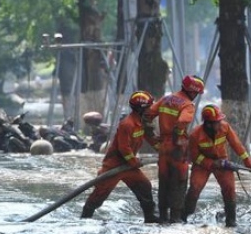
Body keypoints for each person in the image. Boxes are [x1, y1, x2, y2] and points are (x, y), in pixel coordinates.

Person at [81, 91, 160, 223]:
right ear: (141, 108)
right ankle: (85, 218)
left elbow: (150, 139)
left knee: (144, 186)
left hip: (128, 166)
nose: (150, 109)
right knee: (100, 194)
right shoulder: (127, 124)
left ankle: (150, 217)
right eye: (148, 107)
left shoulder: (141, 122)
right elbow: (124, 148)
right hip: (114, 167)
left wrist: (162, 150)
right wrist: (134, 161)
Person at [181, 104, 251, 227]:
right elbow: (195, 157)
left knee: (229, 188)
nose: (220, 123)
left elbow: (237, 146)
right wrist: (211, 163)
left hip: (222, 161)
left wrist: (250, 164)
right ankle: (183, 217)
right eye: (217, 121)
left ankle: (231, 221)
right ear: (208, 124)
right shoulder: (195, 134)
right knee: (195, 188)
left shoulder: (225, 127)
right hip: (202, 165)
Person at [146, 74, 205, 223]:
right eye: (196, 93)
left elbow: (147, 115)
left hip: (163, 146)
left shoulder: (166, 99)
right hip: (177, 148)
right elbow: (182, 121)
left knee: (164, 179)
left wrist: (153, 137)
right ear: (192, 91)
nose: (196, 96)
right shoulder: (187, 105)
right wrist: (178, 137)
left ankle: (163, 216)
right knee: (179, 180)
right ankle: (176, 217)